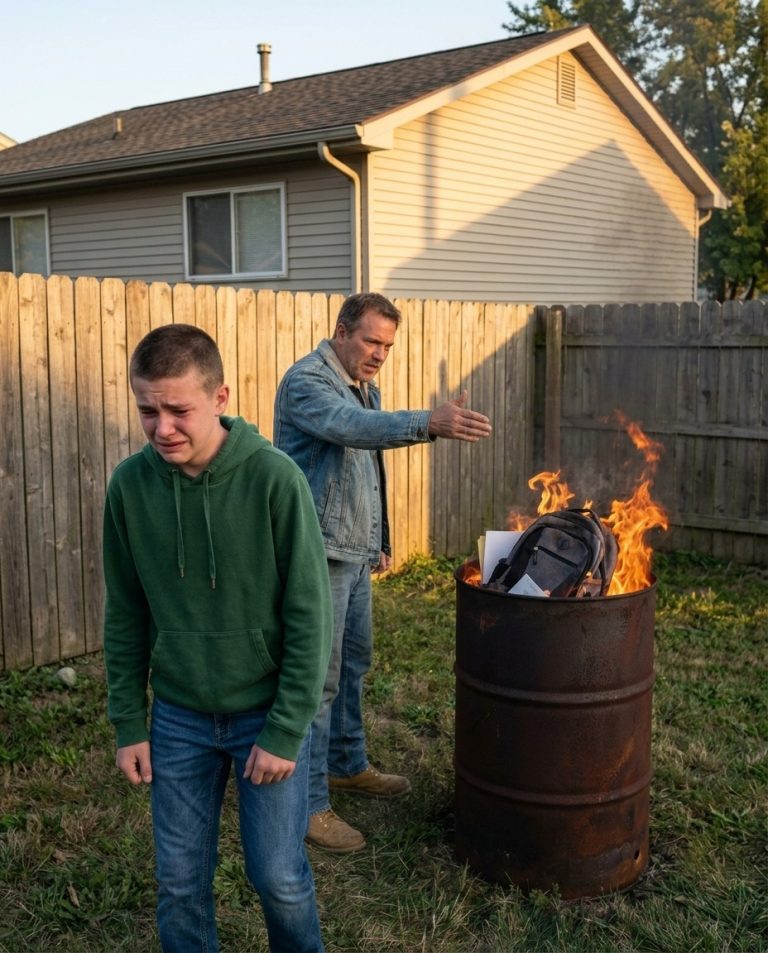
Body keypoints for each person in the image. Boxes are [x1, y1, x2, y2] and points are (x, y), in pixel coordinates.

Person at [103, 323, 332, 953]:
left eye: (179, 410)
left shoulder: (275, 479)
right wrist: (129, 721)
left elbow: (311, 616)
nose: (162, 428)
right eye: (147, 410)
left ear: (220, 397)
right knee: (179, 883)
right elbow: (125, 612)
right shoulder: (129, 487)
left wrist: (285, 730)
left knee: (279, 878)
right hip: (179, 716)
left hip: (265, 712)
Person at [274, 291, 492, 853]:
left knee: (354, 663)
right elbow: (351, 429)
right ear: (341, 331)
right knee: (317, 682)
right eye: (372, 341)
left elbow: (367, 470)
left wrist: (380, 541)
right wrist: (428, 422)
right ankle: (307, 805)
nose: (379, 354)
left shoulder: (361, 384)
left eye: (388, 346)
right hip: (318, 554)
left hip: (353, 551)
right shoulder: (307, 383)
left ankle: (346, 765)